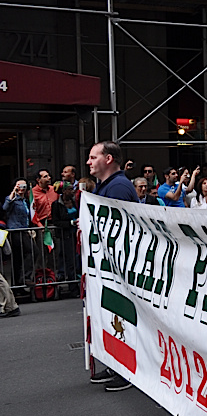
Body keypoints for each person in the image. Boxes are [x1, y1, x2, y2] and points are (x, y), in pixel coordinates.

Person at [86, 141, 139, 391]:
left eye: (93, 157)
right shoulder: (107, 185)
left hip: (120, 266)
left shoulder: (117, 187)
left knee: (122, 316)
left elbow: (116, 229)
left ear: (108, 159)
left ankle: (126, 370)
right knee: (113, 315)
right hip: (111, 266)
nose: (88, 162)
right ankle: (117, 364)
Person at [3, 178, 35, 292]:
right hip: (15, 230)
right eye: (19, 186)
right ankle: (24, 278)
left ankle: (18, 285)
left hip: (24, 230)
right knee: (30, 251)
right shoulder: (13, 199)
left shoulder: (25, 201)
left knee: (19, 258)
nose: (21, 189)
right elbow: (5, 207)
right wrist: (14, 192)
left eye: (24, 186)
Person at [50, 185, 79, 293]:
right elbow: (56, 221)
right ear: (63, 191)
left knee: (77, 260)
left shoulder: (75, 201)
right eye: (70, 189)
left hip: (77, 234)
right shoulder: (56, 204)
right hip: (66, 235)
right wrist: (70, 223)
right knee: (70, 261)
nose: (72, 191)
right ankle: (73, 287)